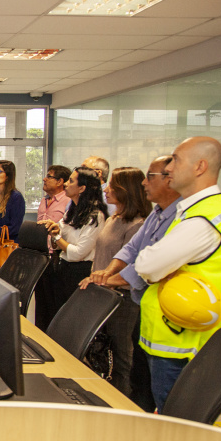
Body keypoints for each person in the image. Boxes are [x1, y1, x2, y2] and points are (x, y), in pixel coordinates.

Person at [134, 137, 221, 411]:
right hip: (174, 338)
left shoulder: (203, 219)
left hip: (183, 347)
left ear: (200, 167)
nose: (168, 167)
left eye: (175, 159)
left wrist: (159, 269)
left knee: (178, 432)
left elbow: (146, 265)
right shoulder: (194, 210)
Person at [84, 156, 181, 411]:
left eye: (150, 177)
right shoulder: (149, 216)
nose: (144, 183)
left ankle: (127, 411)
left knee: (128, 362)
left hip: (133, 300)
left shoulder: (173, 218)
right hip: (125, 297)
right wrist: (106, 274)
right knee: (125, 362)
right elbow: (129, 251)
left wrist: (111, 280)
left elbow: (146, 265)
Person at [79, 167, 151, 397]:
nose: (106, 189)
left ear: (126, 190)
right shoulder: (114, 218)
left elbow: (134, 267)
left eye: (112, 185)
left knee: (121, 355)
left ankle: (122, 401)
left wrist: (107, 279)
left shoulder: (138, 224)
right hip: (102, 294)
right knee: (101, 353)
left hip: (123, 299)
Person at [39, 167, 107, 324]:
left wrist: (56, 236)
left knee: (72, 321)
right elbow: (56, 242)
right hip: (63, 268)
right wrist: (55, 232)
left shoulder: (95, 216)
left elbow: (78, 253)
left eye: (71, 181)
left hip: (79, 272)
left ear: (82, 188)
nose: (66, 184)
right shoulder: (73, 210)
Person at [33, 164, 72, 330]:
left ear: (60, 182)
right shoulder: (44, 200)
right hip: (39, 255)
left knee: (53, 303)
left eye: (49, 176)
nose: (44, 179)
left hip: (56, 257)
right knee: (40, 303)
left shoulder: (68, 201)